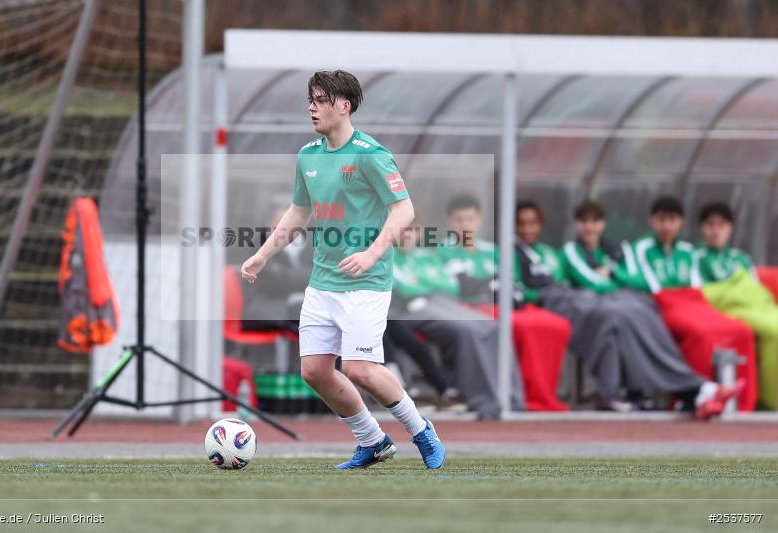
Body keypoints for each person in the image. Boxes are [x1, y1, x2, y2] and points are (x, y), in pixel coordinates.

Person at [241, 70, 444, 469]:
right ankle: (372, 441)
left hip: (366, 281)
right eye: (310, 100)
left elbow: (404, 210)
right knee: (315, 371)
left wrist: (371, 253)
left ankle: (421, 430)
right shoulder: (308, 156)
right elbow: (299, 210)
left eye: (320, 100)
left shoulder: (370, 154)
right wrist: (264, 254)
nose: (312, 107)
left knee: (359, 368)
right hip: (322, 283)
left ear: (344, 106)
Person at [556, 200, 740, 418]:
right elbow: (594, 282)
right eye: (584, 222)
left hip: (630, 304)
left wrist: (614, 274)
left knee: (641, 314)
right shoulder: (573, 250)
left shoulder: (616, 249)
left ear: (603, 224)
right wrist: (619, 280)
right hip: (608, 305)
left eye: (594, 221)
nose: (589, 227)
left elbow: (638, 282)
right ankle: (696, 390)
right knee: (626, 317)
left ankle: (695, 392)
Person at [438, 195, 570, 412]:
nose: (465, 225)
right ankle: (515, 395)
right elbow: (465, 286)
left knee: (555, 324)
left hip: (504, 305)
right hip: (472, 307)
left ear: (479, 220)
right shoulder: (443, 250)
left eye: (470, 219)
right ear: (449, 222)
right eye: (459, 219)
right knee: (522, 327)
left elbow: (511, 283)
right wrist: (492, 284)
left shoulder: (492, 250)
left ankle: (540, 396)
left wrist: (493, 285)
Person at [627, 196, 757, 412]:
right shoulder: (641, 248)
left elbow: (697, 285)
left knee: (741, 329)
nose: (667, 226)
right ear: (652, 221)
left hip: (693, 301)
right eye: (662, 219)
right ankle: (702, 396)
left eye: (673, 220)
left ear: (681, 222)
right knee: (701, 333)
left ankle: (743, 402)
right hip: (664, 303)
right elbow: (649, 284)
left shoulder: (688, 251)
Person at [390, 218, 524, 418]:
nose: (407, 234)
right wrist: (428, 284)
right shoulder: (387, 256)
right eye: (402, 229)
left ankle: (510, 398)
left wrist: (423, 283)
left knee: (493, 326)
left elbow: (451, 286)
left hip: (445, 303)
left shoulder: (428, 256)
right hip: (410, 310)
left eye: (413, 229)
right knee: (468, 330)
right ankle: (480, 399)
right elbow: (406, 289)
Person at [695, 202, 778, 410]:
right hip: (727, 310)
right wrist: (732, 289)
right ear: (702, 228)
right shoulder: (696, 257)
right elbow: (702, 293)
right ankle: (772, 400)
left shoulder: (740, 258)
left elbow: (754, 289)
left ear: (730, 228)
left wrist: (739, 288)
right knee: (774, 331)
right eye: (711, 225)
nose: (716, 230)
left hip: (755, 307)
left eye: (721, 225)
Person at [241, 201, 312, 334]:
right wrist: (304, 278)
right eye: (281, 219)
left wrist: (288, 275)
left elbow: (317, 275)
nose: (288, 224)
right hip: (267, 306)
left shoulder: (306, 244)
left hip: (301, 303)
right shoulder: (260, 246)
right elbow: (273, 282)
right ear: (270, 221)